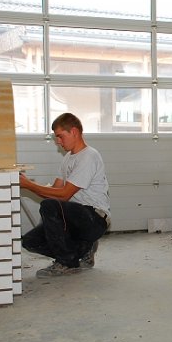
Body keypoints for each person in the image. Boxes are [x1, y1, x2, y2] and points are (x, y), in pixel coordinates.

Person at [20, 113, 111, 278]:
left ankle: (67, 263)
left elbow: (64, 195)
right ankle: (83, 250)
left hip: (94, 218)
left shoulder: (89, 156)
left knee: (50, 206)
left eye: (60, 136)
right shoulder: (68, 158)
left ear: (74, 132)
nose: (58, 142)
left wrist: (29, 185)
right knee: (30, 241)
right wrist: (29, 184)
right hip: (74, 218)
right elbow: (55, 190)